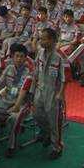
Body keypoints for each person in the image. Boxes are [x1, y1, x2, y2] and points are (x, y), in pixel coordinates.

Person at [33, 27, 65, 160]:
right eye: (40, 39)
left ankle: (57, 147)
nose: (41, 41)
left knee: (53, 122)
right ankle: (46, 133)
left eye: (44, 39)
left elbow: (63, 79)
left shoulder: (59, 57)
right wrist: (32, 89)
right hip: (40, 89)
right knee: (37, 115)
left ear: (52, 40)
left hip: (52, 92)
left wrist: (60, 94)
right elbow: (36, 71)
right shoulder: (40, 53)